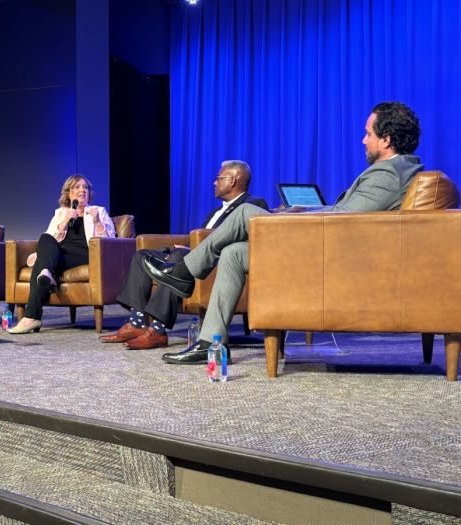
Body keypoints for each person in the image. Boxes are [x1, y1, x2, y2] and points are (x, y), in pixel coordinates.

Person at [144, 101, 423, 364]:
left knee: (243, 212)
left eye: (368, 134)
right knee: (234, 253)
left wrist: (300, 217)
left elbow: (345, 221)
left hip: (331, 253)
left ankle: (182, 273)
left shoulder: (388, 174)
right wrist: (301, 210)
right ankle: (211, 342)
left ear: (386, 140)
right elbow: (348, 214)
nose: (364, 140)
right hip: (328, 243)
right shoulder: (398, 170)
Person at [100, 160, 268, 350]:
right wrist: (186, 245)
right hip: (195, 253)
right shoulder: (216, 211)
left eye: (219, 178)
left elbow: (235, 237)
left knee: (177, 259)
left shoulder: (254, 204)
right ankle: (137, 322)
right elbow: (200, 236)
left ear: (233, 180)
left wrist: (191, 249)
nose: (214, 182)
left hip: (217, 263)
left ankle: (157, 330)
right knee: (142, 256)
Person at [8, 174, 116, 334]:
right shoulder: (61, 213)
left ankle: (32, 316)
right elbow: (50, 238)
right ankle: (46, 271)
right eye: (77, 187)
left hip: (85, 254)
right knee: (45, 238)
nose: (82, 190)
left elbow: (110, 241)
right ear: (68, 193)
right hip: (62, 253)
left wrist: (97, 222)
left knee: (41, 264)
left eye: (85, 187)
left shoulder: (98, 211)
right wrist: (65, 221)